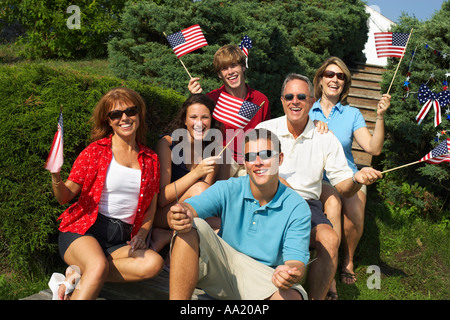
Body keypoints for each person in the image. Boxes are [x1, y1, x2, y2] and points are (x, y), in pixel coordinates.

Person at [256, 73, 382, 300]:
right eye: (289, 96)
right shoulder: (266, 130)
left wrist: (356, 180)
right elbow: (250, 170)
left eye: (301, 96)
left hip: (307, 206)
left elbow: (343, 185)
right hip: (267, 199)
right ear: (282, 100)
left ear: (312, 101)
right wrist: (279, 185)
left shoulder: (325, 138)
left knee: (330, 239)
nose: (295, 101)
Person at [168, 128, 311, 300]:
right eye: (251, 157)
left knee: (292, 297)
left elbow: (296, 260)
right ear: (244, 163)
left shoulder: (297, 206)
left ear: (279, 159)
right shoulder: (229, 187)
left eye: (266, 154)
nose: (258, 162)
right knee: (189, 225)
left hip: (264, 278)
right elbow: (190, 208)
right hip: (224, 268)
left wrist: (289, 272)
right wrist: (178, 215)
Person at [49, 87, 164, 300]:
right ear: (108, 121)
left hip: (121, 239)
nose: (125, 118)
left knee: (153, 263)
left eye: (131, 111)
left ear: (139, 114)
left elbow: (151, 208)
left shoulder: (152, 159)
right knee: (98, 264)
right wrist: (56, 176)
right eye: (116, 114)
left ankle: (76, 276)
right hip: (85, 230)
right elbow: (64, 197)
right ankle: (86, 270)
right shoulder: (95, 151)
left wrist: (142, 234)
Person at [309, 57, 391, 290]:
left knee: (354, 209)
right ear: (320, 80)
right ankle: (329, 260)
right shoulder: (306, 109)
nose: (335, 79)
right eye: (330, 75)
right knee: (333, 203)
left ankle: (349, 260)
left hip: (348, 175)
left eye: (340, 76)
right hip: (319, 179)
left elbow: (373, 149)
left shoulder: (352, 113)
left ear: (345, 83)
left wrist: (380, 116)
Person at [152, 94, 223, 251]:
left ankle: (167, 237)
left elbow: (205, 202)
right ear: (184, 120)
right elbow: (162, 199)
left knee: (221, 226)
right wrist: (196, 173)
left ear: (211, 120)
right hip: (163, 213)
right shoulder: (167, 144)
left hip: (191, 212)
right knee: (200, 189)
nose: (199, 123)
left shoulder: (213, 148)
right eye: (193, 117)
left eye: (205, 117)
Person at [188, 44, 271, 176]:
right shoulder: (211, 99)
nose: (230, 72)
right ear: (219, 75)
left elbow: (266, 138)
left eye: (233, 65)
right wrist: (194, 98)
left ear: (243, 66)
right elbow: (194, 129)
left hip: (251, 163)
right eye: (224, 68)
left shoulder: (260, 100)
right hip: (221, 164)